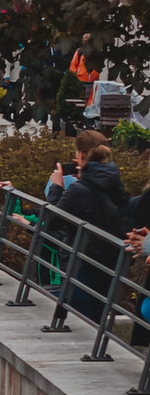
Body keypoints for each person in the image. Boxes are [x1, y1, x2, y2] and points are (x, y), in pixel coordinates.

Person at [46, 132, 130, 320]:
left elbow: (53, 220)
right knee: (97, 317)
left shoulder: (79, 189)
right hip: (109, 261)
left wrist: (56, 186)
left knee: (82, 318)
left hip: (81, 261)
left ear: (81, 155)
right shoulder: (115, 182)